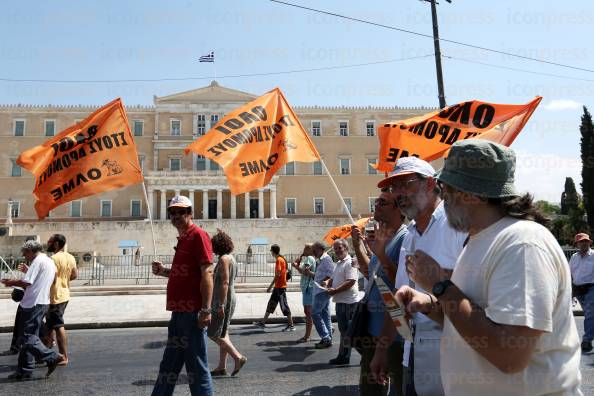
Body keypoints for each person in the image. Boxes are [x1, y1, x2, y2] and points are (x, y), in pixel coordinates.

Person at [396, 140, 582, 395]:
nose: (442, 196)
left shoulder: (522, 243)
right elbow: (468, 321)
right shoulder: (479, 240)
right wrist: (428, 303)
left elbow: (509, 354)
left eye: (446, 188)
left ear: (472, 193)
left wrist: (440, 285)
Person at [371, 156, 466, 396]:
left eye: (406, 184)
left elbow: (477, 291)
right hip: (412, 355)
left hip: (455, 356)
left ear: (430, 184)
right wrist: (382, 349)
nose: (398, 194)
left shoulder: (458, 225)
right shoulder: (411, 236)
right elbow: (398, 300)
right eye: (394, 187)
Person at [151, 195, 215, 396]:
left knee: (196, 368)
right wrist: (163, 271)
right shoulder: (183, 239)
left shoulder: (198, 235)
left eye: (181, 212)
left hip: (192, 314)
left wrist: (206, 309)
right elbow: (186, 272)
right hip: (178, 314)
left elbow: (207, 272)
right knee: (168, 367)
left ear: (190, 214)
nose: (177, 216)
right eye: (173, 212)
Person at [352, 191, 407, 396]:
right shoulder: (384, 237)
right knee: (370, 390)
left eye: (382, 202)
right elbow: (371, 276)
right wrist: (358, 247)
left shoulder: (405, 238)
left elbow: (401, 284)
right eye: (375, 201)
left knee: (399, 388)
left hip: (395, 335)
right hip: (373, 331)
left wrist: (381, 254)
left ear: (399, 209)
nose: (376, 205)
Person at [1, 240, 66, 380]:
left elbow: (27, 282)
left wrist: (9, 282)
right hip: (42, 302)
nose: (25, 257)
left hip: (33, 304)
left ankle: (53, 357)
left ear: (31, 251)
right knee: (29, 337)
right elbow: (53, 279)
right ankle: (24, 370)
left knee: (27, 337)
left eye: (25, 254)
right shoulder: (48, 261)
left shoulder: (37, 261)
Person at [208, 230, 247, 377]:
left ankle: (237, 357)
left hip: (223, 298)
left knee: (213, 333)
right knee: (224, 333)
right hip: (228, 296)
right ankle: (221, 366)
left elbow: (224, 282)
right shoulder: (231, 258)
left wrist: (220, 305)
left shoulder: (224, 259)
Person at [324, 238, 361, 365]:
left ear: (346, 248)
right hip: (340, 301)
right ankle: (343, 356)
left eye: (340, 248)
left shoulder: (350, 262)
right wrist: (327, 283)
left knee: (350, 332)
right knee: (344, 331)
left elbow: (351, 281)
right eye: (335, 248)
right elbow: (333, 278)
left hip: (349, 302)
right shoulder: (339, 263)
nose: (337, 250)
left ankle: (365, 355)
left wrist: (335, 291)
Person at [42, 234, 77, 365]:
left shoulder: (53, 259)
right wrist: (64, 281)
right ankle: (47, 353)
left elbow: (52, 278)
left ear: (56, 244)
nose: (48, 243)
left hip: (54, 297)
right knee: (49, 326)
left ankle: (64, 357)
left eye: (50, 241)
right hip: (65, 295)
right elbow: (74, 275)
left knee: (58, 326)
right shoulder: (70, 257)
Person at [255, 244, 295, 331]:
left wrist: (270, 286)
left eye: (271, 251)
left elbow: (278, 274)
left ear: (273, 251)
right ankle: (263, 323)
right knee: (271, 304)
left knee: (284, 305)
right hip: (278, 287)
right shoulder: (281, 259)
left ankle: (291, 325)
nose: (271, 253)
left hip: (280, 287)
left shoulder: (279, 260)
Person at [569, 232, 594, 352]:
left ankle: (587, 340)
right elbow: (570, 275)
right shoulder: (574, 257)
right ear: (577, 244)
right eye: (581, 242)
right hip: (578, 289)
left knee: (589, 313)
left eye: (586, 241)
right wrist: (571, 291)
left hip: (591, 288)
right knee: (590, 314)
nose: (584, 243)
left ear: (589, 242)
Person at [311, 241, 336, 349]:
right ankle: (328, 338)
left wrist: (325, 282)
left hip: (322, 291)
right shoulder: (321, 260)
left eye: (314, 249)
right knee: (325, 314)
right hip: (319, 290)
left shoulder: (326, 259)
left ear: (321, 249)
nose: (313, 252)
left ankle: (325, 337)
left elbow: (331, 274)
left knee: (315, 313)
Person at [291, 243, 316, 343]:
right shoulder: (310, 258)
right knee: (309, 312)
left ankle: (307, 336)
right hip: (308, 288)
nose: (304, 249)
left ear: (310, 249)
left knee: (308, 312)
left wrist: (296, 266)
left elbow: (305, 272)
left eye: (306, 248)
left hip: (308, 288)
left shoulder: (309, 258)